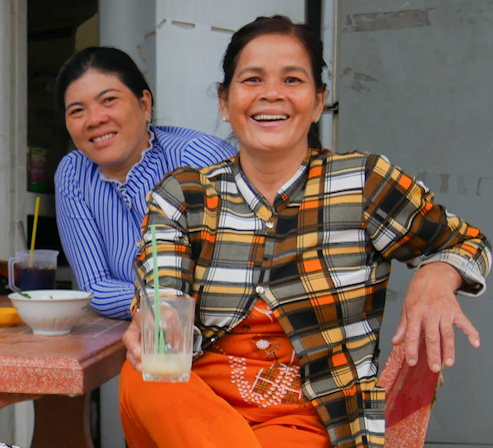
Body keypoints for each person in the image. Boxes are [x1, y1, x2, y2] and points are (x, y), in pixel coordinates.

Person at [120, 15, 491, 448]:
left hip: (308, 421)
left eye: (292, 79)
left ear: (318, 102)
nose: (271, 93)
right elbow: (161, 290)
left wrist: (435, 276)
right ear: (225, 101)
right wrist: (154, 317)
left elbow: (468, 243)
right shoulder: (181, 195)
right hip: (189, 405)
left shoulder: (364, 183)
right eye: (252, 79)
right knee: (145, 373)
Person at [54, 47, 237, 319]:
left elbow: (234, 283)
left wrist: (155, 305)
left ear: (145, 104)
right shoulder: (73, 173)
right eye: (77, 111)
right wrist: (161, 305)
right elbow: (95, 288)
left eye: (109, 100)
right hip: (140, 339)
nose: (95, 120)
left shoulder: (202, 160)